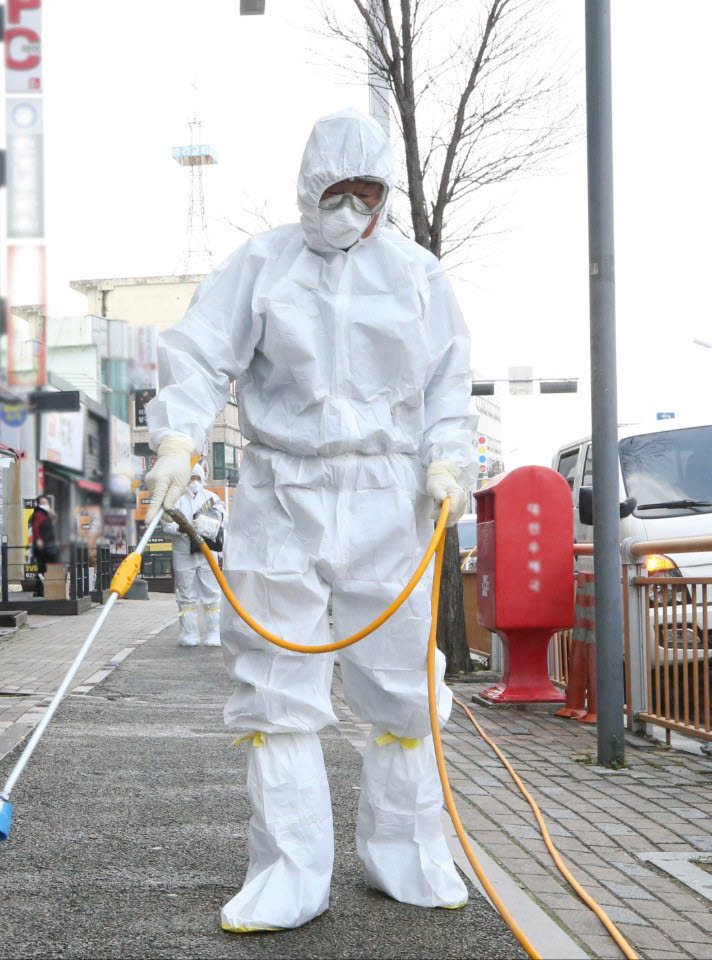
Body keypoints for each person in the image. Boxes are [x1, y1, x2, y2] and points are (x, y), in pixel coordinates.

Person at [144, 108, 476, 933]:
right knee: (274, 683)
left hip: (387, 494)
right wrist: (177, 438)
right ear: (309, 186)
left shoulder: (416, 274)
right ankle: (287, 873)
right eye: (339, 190)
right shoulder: (261, 265)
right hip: (280, 491)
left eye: (369, 192)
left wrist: (446, 460)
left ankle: (407, 854)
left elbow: (447, 382)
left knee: (402, 684)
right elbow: (198, 352)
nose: (353, 207)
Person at [159, 461, 226, 647]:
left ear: (203, 478)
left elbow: (224, 521)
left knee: (212, 594)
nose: (194, 482)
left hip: (208, 553)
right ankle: (189, 634)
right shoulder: (175, 499)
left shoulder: (213, 498)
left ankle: (213, 634)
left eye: (197, 478)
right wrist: (183, 529)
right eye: (191, 478)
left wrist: (208, 525)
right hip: (183, 553)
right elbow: (166, 525)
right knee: (186, 595)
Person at [29, 495, 58, 597]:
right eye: (43, 502)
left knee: (46, 568)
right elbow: (36, 528)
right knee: (42, 568)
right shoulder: (38, 514)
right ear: (38, 504)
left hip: (49, 544)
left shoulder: (47, 513)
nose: (45, 504)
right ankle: (39, 590)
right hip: (41, 546)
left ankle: (44, 590)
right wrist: (39, 540)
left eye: (46, 502)